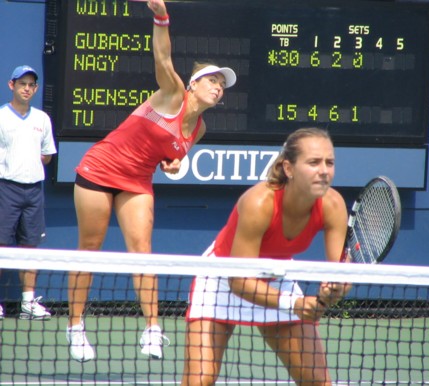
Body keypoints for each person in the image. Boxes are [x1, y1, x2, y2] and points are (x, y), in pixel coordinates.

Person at [65, 0, 237, 363]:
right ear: (193, 84)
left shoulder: (200, 128)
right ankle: (76, 328)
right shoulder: (173, 93)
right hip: (99, 169)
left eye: (222, 85)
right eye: (212, 80)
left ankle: (153, 331)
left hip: (137, 181)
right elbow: (162, 58)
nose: (218, 87)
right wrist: (161, 16)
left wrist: (173, 166)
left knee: (142, 251)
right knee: (89, 249)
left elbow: (172, 158)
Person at [182, 128, 351, 386]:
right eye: (313, 162)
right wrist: (294, 304)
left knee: (318, 381)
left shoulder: (334, 206)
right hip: (222, 280)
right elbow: (238, 282)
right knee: (200, 380)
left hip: (277, 275)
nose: (324, 170)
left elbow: (338, 273)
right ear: (289, 168)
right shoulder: (259, 203)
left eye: (330, 162)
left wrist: (334, 288)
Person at [0, 65, 57, 321]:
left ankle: (27, 303)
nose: (26, 88)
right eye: (22, 83)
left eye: (31, 85)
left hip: (34, 191)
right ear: (12, 85)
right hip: (6, 189)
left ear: (35, 89)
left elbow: (46, 155)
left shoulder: (42, 120)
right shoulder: (1, 117)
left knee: (30, 248)